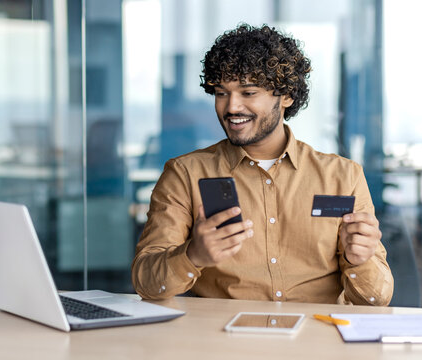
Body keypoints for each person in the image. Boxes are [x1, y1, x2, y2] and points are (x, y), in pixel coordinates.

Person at [131, 24, 394, 305]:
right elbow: (146, 283)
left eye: (248, 92)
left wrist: (361, 261)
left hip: (317, 338)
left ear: (286, 97)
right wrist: (193, 255)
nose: (231, 107)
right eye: (221, 93)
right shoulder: (186, 174)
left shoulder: (343, 176)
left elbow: (377, 300)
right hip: (221, 341)